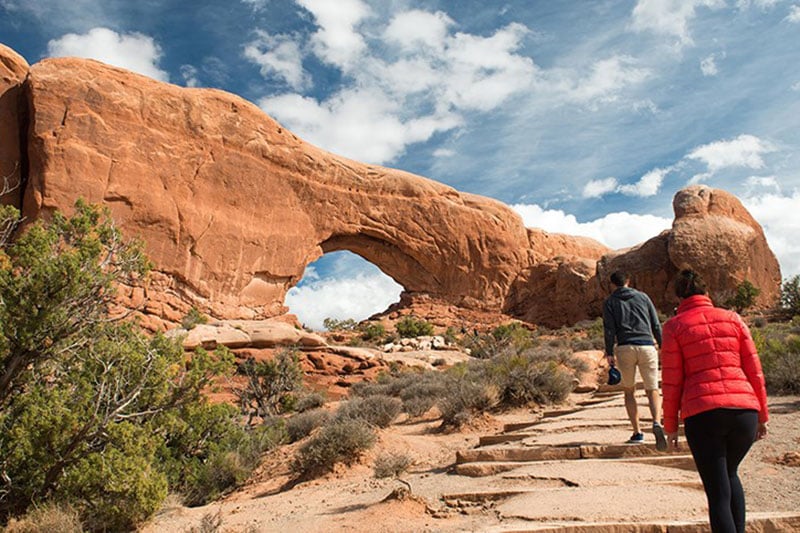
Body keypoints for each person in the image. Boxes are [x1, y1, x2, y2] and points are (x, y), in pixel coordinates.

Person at [661, 269, 769, 533]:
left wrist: (670, 426)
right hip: (744, 411)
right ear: (707, 292)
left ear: (678, 296)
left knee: (717, 492)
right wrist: (763, 415)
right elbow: (754, 370)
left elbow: (672, 380)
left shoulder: (674, 327)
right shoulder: (733, 319)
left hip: (703, 414)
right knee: (730, 475)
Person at [603, 270, 667, 450]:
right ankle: (656, 423)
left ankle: (637, 432)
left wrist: (609, 352)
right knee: (652, 389)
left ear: (612, 284)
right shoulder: (644, 297)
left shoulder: (610, 302)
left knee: (629, 391)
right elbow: (655, 323)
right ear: (628, 281)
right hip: (647, 346)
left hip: (625, 347)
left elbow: (609, 329)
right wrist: (662, 345)